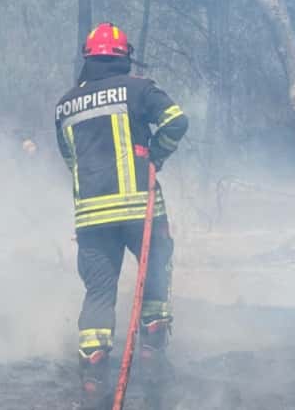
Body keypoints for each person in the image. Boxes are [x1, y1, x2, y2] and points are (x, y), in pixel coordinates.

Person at [55, 22, 189, 408]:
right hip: (139, 208)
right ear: (124, 56)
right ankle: (152, 356)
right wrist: (157, 155)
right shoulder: (140, 88)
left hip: (92, 217)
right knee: (155, 274)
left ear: (89, 58)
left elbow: (69, 158)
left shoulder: (65, 105)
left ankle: (94, 375)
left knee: (98, 291)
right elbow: (176, 121)